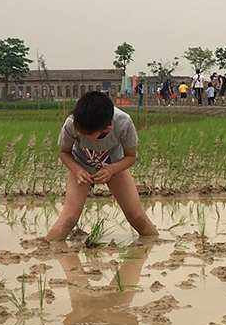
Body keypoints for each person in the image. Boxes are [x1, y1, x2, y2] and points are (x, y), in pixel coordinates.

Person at [46, 91, 158, 241]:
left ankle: (155, 243)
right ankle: (48, 248)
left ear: (106, 129)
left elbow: (130, 157)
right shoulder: (72, 123)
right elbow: (64, 153)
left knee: (136, 216)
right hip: (81, 165)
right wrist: (77, 170)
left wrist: (111, 169)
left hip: (115, 165)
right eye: (79, 131)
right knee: (69, 218)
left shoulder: (123, 123)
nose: (80, 134)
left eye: (86, 134)